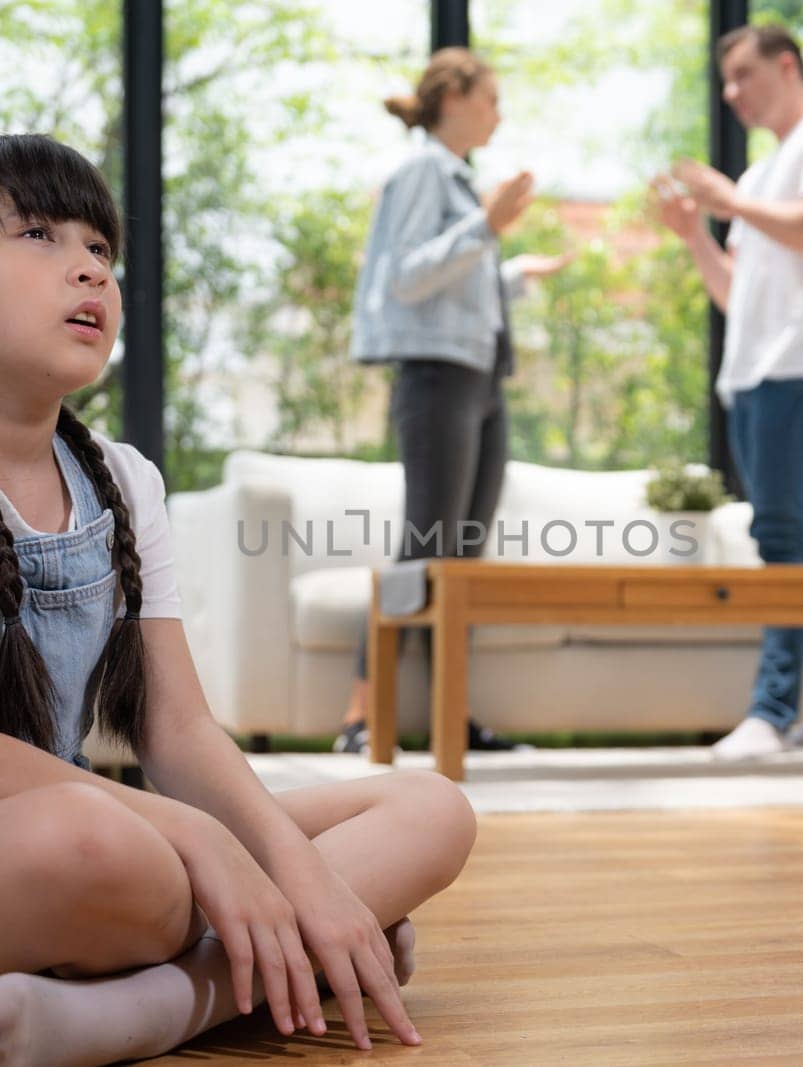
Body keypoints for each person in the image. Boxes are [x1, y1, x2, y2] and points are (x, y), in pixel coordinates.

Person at [0, 134, 477, 1066]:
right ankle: (298, 954)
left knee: (430, 806)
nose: (87, 268)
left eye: (101, 252)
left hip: (96, 831)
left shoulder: (125, 478)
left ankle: (163, 1004)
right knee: (106, 849)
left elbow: (181, 735)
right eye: (39, 235)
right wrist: (229, 851)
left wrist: (273, 862)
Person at [652, 24, 803, 761]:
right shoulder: (758, 177)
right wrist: (697, 233)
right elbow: (736, 294)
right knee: (800, 536)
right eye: (726, 80)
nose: (731, 92)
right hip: (755, 373)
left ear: (788, 66)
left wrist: (729, 202)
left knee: (780, 536)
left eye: (745, 75)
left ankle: (772, 711)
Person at [336, 47, 568, 755]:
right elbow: (404, 277)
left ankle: (448, 719)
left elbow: (454, 287)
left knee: (460, 559)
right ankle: (359, 718)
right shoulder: (423, 172)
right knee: (427, 546)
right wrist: (486, 228)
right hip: (436, 378)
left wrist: (512, 273)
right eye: (492, 98)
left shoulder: (460, 183)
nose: (499, 113)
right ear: (457, 96)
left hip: (478, 378)